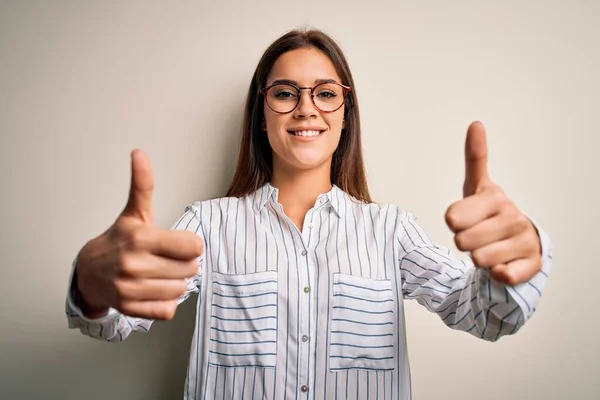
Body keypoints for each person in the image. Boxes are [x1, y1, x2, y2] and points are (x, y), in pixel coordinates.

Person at [65, 28, 552, 400]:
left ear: (344, 112)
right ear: (262, 113)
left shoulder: (391, 231)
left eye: (324, 92)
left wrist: (516, 265)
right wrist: (91, 283)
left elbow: (484, 315)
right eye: (284, 93)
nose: (305, 109)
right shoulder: (207, 226)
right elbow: (116, 321)